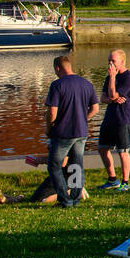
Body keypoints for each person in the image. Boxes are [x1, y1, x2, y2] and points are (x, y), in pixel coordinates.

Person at [44, 55, 99, 208]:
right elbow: (95, 109)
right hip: (81, 132)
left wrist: (49, 128)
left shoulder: (57, 85)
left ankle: (64, 199)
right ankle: (75, 198)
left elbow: (52, 112)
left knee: (54, 165)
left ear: (57, 68)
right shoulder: (87, 84)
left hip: (63, 132)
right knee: (77, 165)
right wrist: (82, 118)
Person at [96, 49, 130, 191]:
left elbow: (112, 95)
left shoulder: (129, 77)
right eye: (109, 60)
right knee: (102, 148)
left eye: (113, 61)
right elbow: (103, 98)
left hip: (123, 119)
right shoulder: (108, 77)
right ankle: (112, 179)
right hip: (109, 118)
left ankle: (126, 182)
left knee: (122, 151)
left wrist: (113, 80)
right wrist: (112, 98)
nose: (110, 64)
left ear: (122, 62)